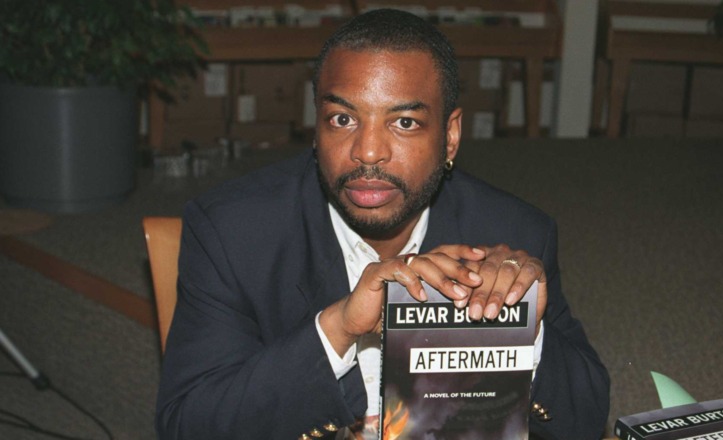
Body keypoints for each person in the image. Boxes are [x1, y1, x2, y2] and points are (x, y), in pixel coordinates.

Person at [156, 8, 609, 440]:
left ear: (450, 136)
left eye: (405, 122)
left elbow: (586, 418)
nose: (368, 152)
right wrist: (338, 328)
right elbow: (187, 426)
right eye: (342, 119)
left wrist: (515, 322)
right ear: (316, 127)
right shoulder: (233, 231)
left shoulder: (513, 231)